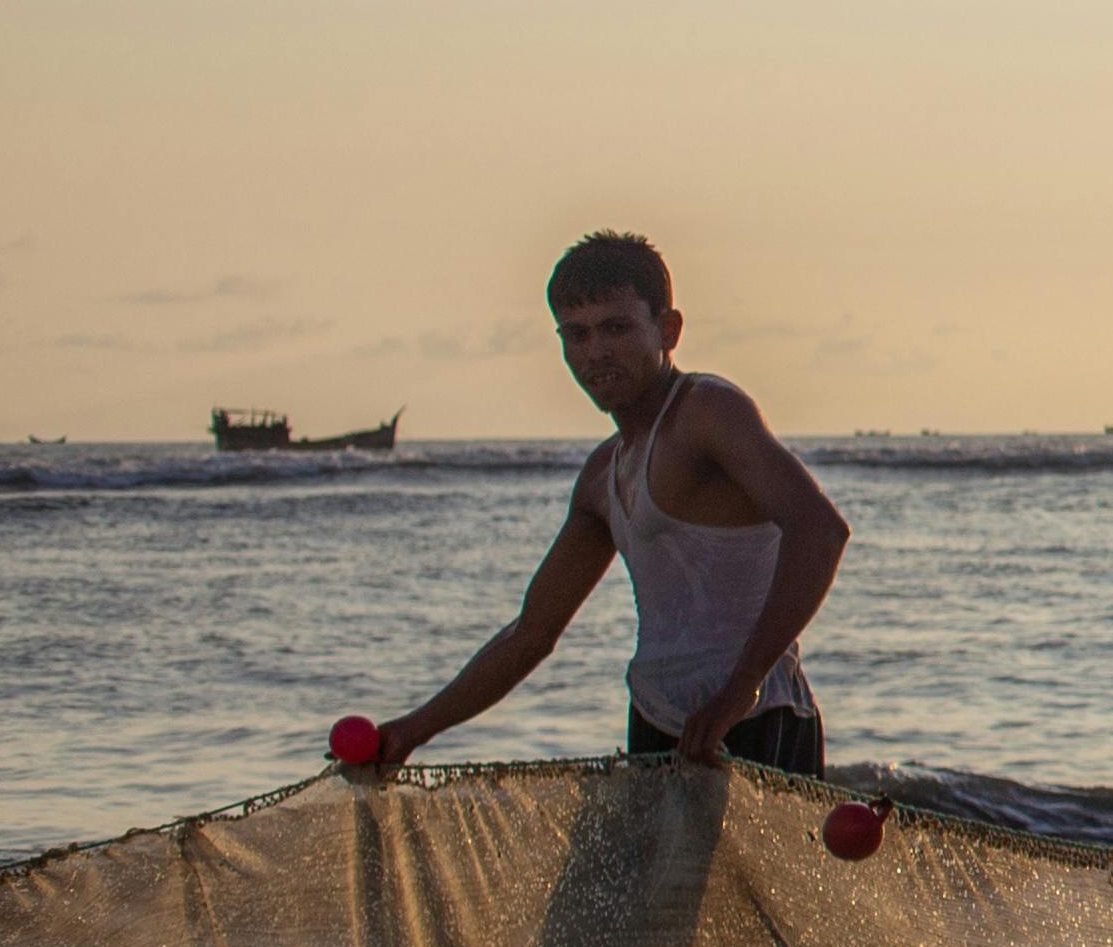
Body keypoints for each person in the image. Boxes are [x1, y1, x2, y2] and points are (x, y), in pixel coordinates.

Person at [362, 232, 848, 777]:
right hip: (656, 719)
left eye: (616, 328)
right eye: (577, 334)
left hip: (758, 716)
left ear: (668, 330)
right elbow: (531, 634)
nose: (596, 352)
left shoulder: (707, 412)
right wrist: (411, 730)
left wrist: (742, 686)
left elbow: (821, 530)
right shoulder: (601, 476)